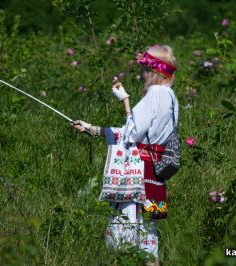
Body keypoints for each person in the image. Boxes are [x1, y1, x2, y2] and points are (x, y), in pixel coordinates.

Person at [73, 44, 179, 265]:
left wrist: (125, 100)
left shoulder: (154, 94)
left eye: (143, 71)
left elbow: (132, 132)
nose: (141, 76)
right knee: (148, 232)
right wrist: (93, 129)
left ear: (152, 72)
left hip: (137, 173)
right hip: (155, 173)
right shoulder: (171, 97)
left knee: (128, 228)